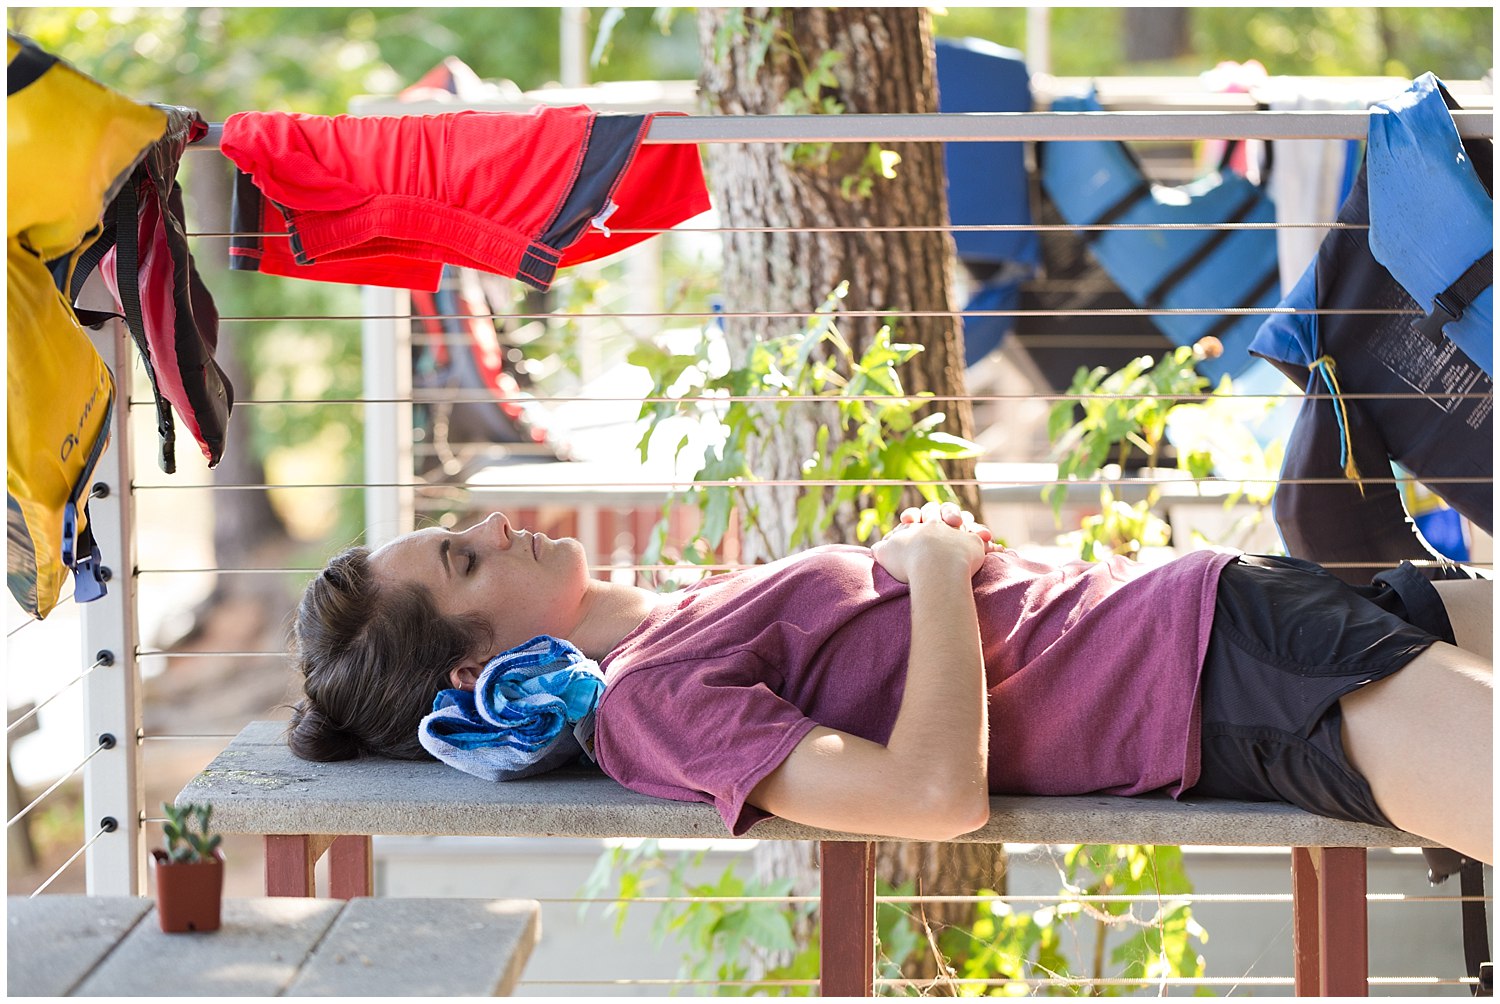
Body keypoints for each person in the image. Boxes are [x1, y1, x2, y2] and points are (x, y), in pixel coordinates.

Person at [289, 505, 1493, 863]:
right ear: (472, 664)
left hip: (1228, 613)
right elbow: (930, 797)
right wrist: (929, 569)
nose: (497, 524)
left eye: (461, 525)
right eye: (464, 557)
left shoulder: (670, 620)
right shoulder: (648, 703)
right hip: (1219, 678)